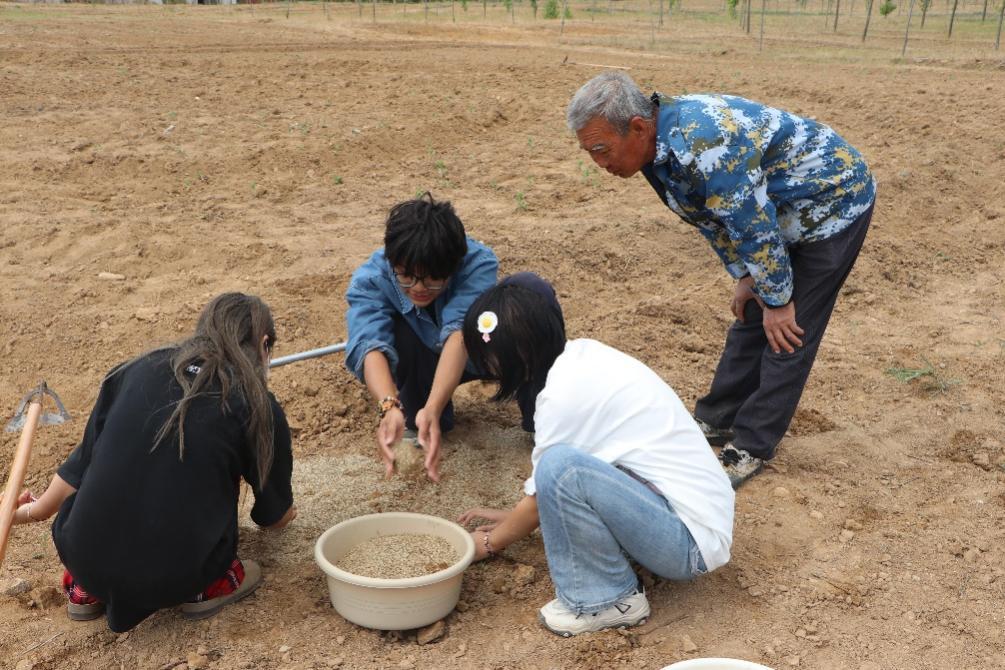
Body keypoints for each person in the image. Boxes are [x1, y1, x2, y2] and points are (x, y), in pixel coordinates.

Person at [566, 71, 877, 488]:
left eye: (601, 150)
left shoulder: (703, 143)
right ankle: (718, 417)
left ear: (637, 127)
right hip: (776, 210)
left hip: (832, 202)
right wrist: (746, 275)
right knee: (752, 313)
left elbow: (754, 227)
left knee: (789, 330)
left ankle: (753, 442)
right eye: (590, 152)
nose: (600, 164)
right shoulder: (656, 148)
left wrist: (779, 301)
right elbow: (709, 216)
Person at [456, 281, 734, 637]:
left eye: (490, 357)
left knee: (561, 468)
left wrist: (487, 543)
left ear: (520, 353)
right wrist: (514, 517)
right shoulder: (583, 356)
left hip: (687, 545)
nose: (486, 367)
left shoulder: (562, 396)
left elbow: (545, 492)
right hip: (686, 517)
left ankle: (608, 600)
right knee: (566, 468)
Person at [6, 293, 296, 632]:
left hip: (84, 559)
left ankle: (86, 589)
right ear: (264, 344)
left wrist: (25, 512)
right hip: (175, 577)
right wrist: (286, 510)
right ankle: (206, 588)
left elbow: (76, 472)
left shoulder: (134, 369)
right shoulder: (258, 404)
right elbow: (273, 519)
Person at [345, 193, 541, 482]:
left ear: (454, 265)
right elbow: (369, 343)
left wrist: (433, 407)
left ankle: (541, 420)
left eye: (433, 279)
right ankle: (420, 417)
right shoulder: (372, 278)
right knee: (398, 331)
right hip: (425, 355)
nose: (418, 288)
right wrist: (389, 406)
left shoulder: (477, 263)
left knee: (529, 303)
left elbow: (460, 334)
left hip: (484, 349)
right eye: (406, 276)